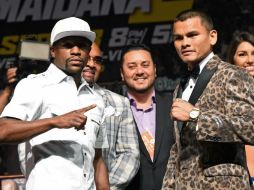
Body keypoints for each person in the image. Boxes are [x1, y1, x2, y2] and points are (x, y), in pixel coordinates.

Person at [0, 17, 109, 190]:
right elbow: (3, 130)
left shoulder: (96, 98)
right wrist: (54, 122)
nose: (76, 51)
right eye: (67, 45)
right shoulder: (35, 85)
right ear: (52, 51)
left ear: (88, 52)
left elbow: (97, 158)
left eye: (82, 46)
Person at [162, 10, 254, 190]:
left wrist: (196, 115)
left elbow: (250, 127)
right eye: (178, 38)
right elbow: (179, 148)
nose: (185, 43)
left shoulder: (233, 74)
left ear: (212, 37)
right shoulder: (180, 87)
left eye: (192, 35)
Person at [82, 42, 140, 189]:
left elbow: (129, 154)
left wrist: (105, 187)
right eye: (87, 58)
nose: (92, 64)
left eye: (97, 60)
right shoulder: (53, 96)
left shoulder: (119, 103)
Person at [119, 44, 174, 190]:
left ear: (154, 70)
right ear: (122, 74)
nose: (139, 71)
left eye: (145, 65)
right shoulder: (114, 111)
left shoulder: (174, 104)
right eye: (131, 66)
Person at [227, 31, 254, 186]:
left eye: (253, 53)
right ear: (233, 59)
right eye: (242, 54)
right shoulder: (223, 95)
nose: (250, 60)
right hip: (238, 178)